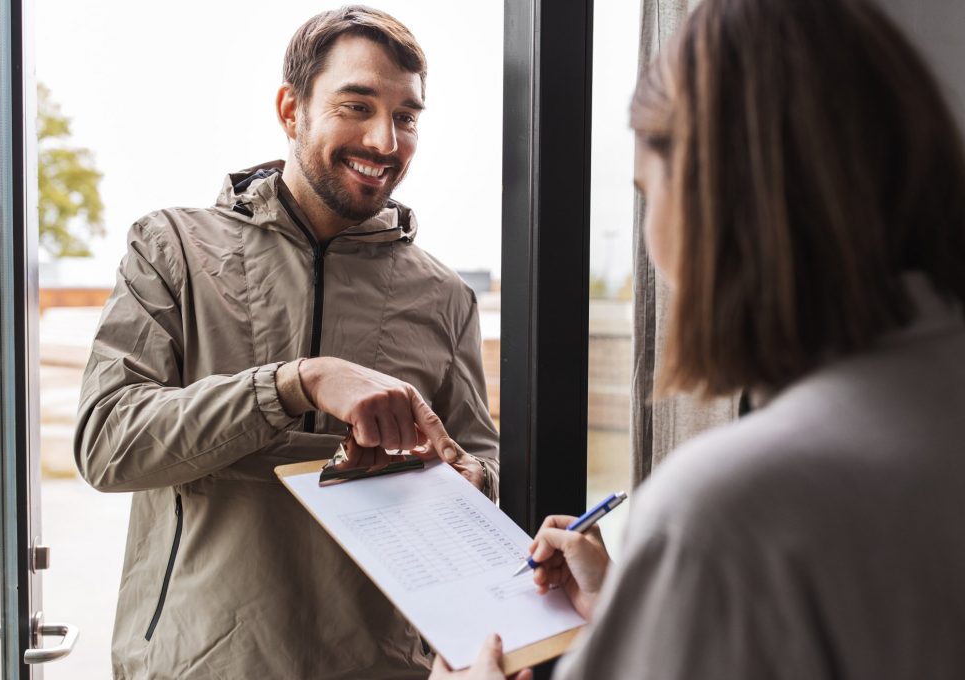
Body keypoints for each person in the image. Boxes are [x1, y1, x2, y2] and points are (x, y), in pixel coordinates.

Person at [433, 0, 965, 677]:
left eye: (646, 192)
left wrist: (685, 575)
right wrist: (640, 606)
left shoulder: (731, 510)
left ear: (708, 196)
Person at [74, 6, 500, 679]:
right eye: (356, 106)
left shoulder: (445, 297)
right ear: (290, 109)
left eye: (407, 117)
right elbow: (107, 446)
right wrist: (294, 383)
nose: (385, 141)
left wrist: (464, 479)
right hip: (193, 666)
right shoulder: (172, 248)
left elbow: (478, 468)